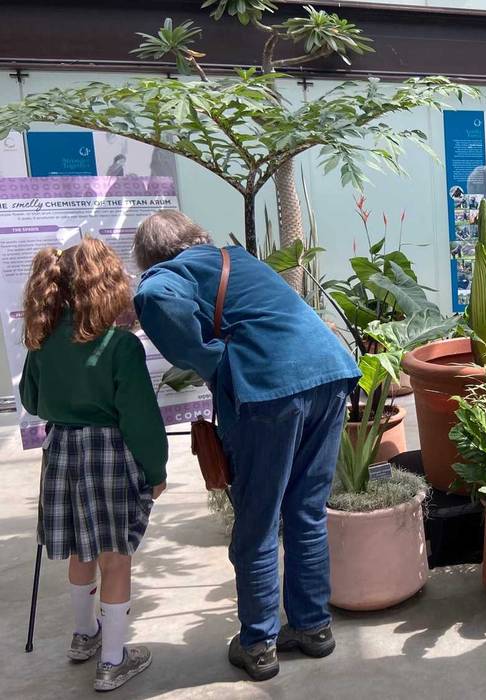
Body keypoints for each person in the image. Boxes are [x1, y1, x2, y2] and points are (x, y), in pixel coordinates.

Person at [131, 210, 359, 681]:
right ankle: (313, 628)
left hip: (270, 393)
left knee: (258, 521)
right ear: (196, 236)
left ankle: (258, 644)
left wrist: (211, 360)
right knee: (306, 511)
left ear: (153, 256)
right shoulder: (234, 258)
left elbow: (154, 297)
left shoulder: (169, 273)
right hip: (330, 373)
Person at [19, 239, 168, 692]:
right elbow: (140, 418)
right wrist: (156, 470)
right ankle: (113, 659)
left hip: (61, 453)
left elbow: (30, 400)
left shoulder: (43, 343)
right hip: (109, 455)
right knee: (116, 558)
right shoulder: (120, 345)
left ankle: (84, 635)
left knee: (81, 549)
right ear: (108, 285)